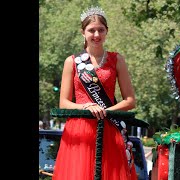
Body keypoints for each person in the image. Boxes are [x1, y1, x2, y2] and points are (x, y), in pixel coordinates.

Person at [52, 6, 137, 180]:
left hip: (108, 129)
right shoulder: (72, 62)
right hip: (79, 130)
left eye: (101, 30)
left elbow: (130, 101)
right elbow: (64, 102)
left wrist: (106, 111)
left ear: (107, 32)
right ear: (83, 32)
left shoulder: (117, 60)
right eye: (91, 30)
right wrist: (86, 106)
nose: (96, 35)